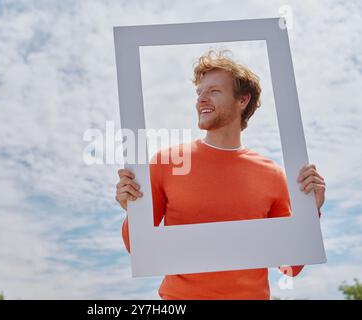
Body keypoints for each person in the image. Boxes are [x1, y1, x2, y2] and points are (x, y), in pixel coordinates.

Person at [115, 50, 326, 300]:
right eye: (199, 92)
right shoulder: (167, 163)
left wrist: (308, 213)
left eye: (214, 91)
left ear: (242, 100)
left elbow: (290, 267)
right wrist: (133, 211)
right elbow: (140, 249)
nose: (201, 99)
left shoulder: (272, 175)